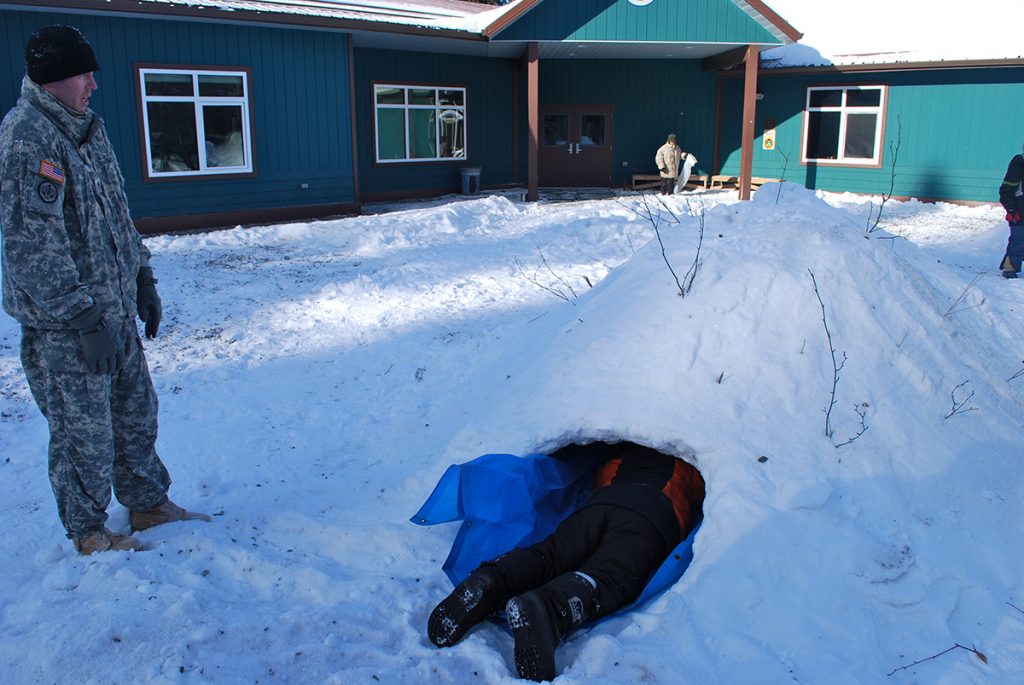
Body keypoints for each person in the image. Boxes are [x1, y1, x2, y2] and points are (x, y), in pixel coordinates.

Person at [0, 25, 210, 555]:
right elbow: (30, 245)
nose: (93, 83)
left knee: (136, 413)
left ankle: (147, 504)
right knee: (83, 435)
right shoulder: (29, 138)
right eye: (83, 74)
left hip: (111, 311)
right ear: (52, 79)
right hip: (69, 328)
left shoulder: (86, 129)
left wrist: (142, 277)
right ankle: (90, 531)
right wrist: (82, 318)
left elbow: (117, 213)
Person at [427, 443, 705, 682]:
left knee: (551, 554)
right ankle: (551, 607)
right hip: (648, 516)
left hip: (597, 506)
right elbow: (706, 486)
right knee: (611, 573)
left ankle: (490, 580)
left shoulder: (617, 459)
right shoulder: (686, 466)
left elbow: (597, 475)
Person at [998, 145, 1024, 279]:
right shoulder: (1019, 165)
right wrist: (1012, 209)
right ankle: (1010, 267)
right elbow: (1005, 191)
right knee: (1019, 241)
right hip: (1019, 213)